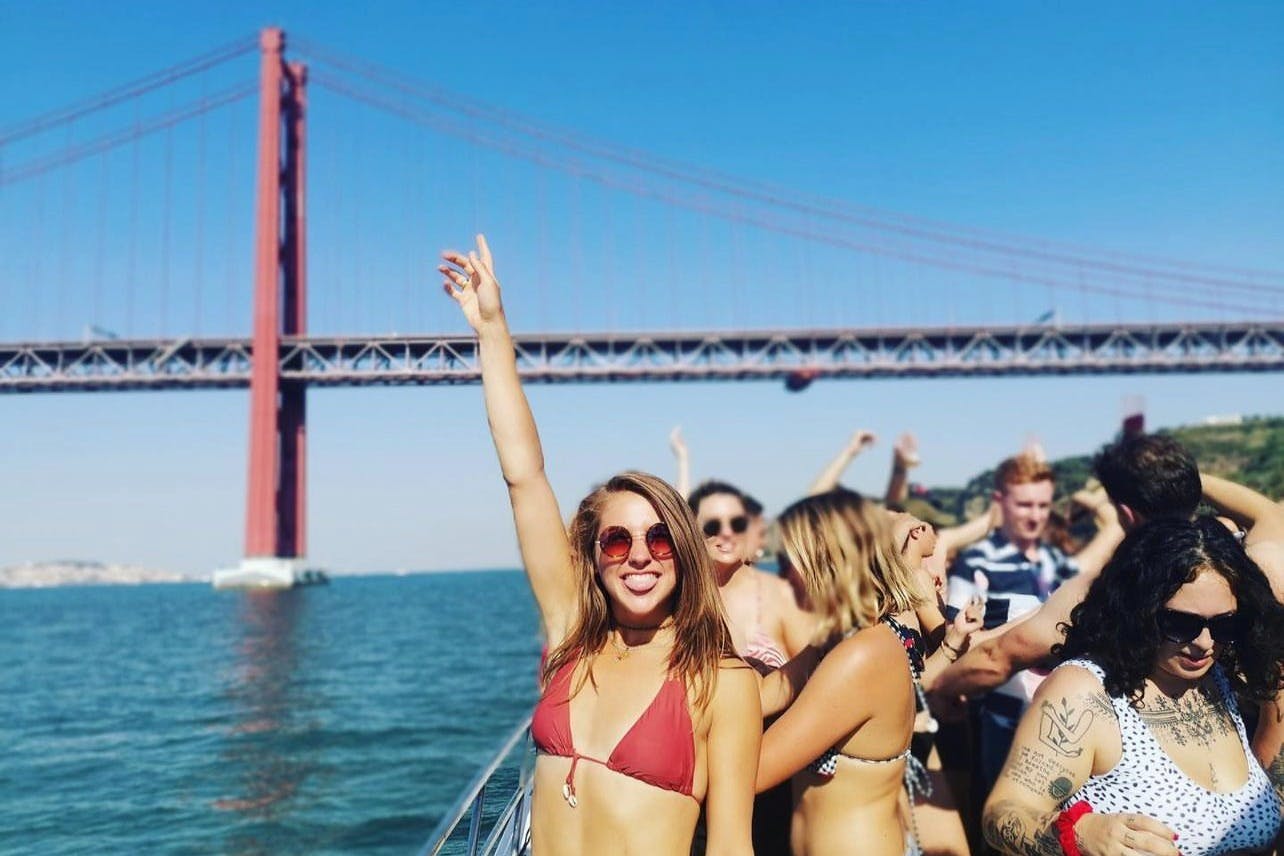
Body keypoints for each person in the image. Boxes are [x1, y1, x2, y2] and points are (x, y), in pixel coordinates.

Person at [440, 235, 759, 855]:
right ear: (594, 556)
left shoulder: (721, 680)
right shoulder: (571, 637)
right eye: (617, 540)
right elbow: (523, 476)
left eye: (660, 537)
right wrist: (492, 331)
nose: (639, 554)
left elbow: (729, 847)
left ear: (684, 553)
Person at [982, 517, 1284, 855]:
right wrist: (1077, 834)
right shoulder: (1086, 693)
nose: (1204, 642)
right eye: (1180, 622)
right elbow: (1003, 813)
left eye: (1225, 624)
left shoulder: (1221, 680)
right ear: (1139, 609)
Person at [755, 489, 946, 856]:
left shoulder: (863, 655)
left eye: (792, 562)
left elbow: (756, 770)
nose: (784, 576)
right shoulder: (839, 640)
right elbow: (768, 693)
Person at [944, 454, 1085, 795]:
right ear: (1000, 502)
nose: (1035, 515)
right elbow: (956, 643)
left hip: (1064, 715)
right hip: (1001, 716)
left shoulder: (1059, 561)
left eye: (1042, 505)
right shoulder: (976, 563)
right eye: (1024, 505)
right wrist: (1040, 622)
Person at [688, 480, 814, 673]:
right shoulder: (683, 600)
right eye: (712, 526)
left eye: (737, 523)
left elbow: (812, 676)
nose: (727, 533)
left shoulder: (780, 594)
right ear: (692, 531)